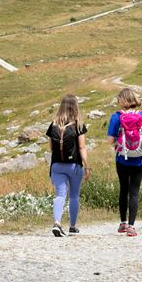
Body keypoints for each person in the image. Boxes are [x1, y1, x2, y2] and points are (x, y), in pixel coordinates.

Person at [107, 88, 142, 237]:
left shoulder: (116, 117)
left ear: (122, 100)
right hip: (140, 160)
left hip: (122, 159)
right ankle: (131, 226)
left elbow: (110, 140)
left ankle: (123, 223)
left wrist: (120, 143)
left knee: (123, 190)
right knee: (134, 192)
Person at [46, 94, 91, 237]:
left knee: (60, 195)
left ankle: (57, 223)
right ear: (75, 107)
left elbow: (51, 149)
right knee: (73, 196)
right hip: (74, 166)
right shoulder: (78, 125)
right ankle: (72, 226)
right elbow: (82, 147)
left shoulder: (53, 125)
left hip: (57, 166)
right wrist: (87, 165)